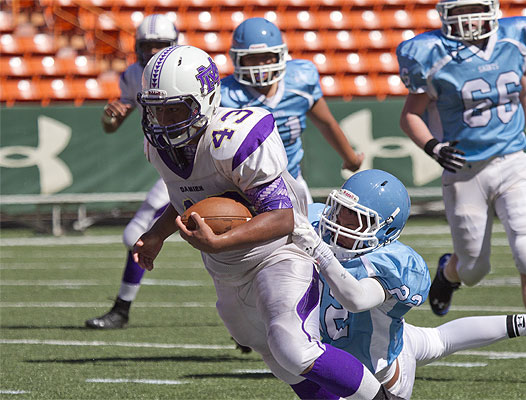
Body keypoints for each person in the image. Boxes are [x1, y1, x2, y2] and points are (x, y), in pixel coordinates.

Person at [132, 44, 398, 400]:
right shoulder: (159, 149)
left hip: (279, 253)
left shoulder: (234, 138)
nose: (163, 123)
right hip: (226, 268)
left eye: (175, 110)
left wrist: (221, 241)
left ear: (206, 99)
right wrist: (156, 235)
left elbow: (284, 217)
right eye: (156, 111)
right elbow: (186, 200)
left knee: (294, 347)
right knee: (277, 358)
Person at [395, 0, 526, 384]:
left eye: (474, 9)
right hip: (464, 172)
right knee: (474, 269)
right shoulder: (432, 53)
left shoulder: (514, 39)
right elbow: (410, 114)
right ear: (445, 15)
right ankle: (449, 272)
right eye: (459, 12)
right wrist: (433, 147)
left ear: (491, 9)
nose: (469, 19)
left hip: (513, 162)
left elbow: (525, 92)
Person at [291, 169, 526, 399]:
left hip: (381, 372)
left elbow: (355, 299)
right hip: (342, 350)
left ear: (384, 230)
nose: (337, 222)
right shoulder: (318, 223)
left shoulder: (391, 262)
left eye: (354, 219)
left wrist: (319, 252)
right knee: (438, 340)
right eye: (339, 210)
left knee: (440, 341)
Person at [85, 14, 178, 329]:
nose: (153, 52)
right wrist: (110, 117)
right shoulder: (132, 75)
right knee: (135, 236)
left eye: (159, 46)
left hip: (195, 166)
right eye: (147, 46)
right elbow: (114, 123)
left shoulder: (184, 70)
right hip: (170, 168)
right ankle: (121, 309)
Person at [221, 17, 364, 204]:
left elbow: (325, 122)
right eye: (252, 58)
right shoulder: (225, 95)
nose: (260, 65)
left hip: (292, 182)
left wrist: (350, 158)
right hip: (243, 188)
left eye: (266, 56)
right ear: (238, 58)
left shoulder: (299, 80)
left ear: (279, 55)